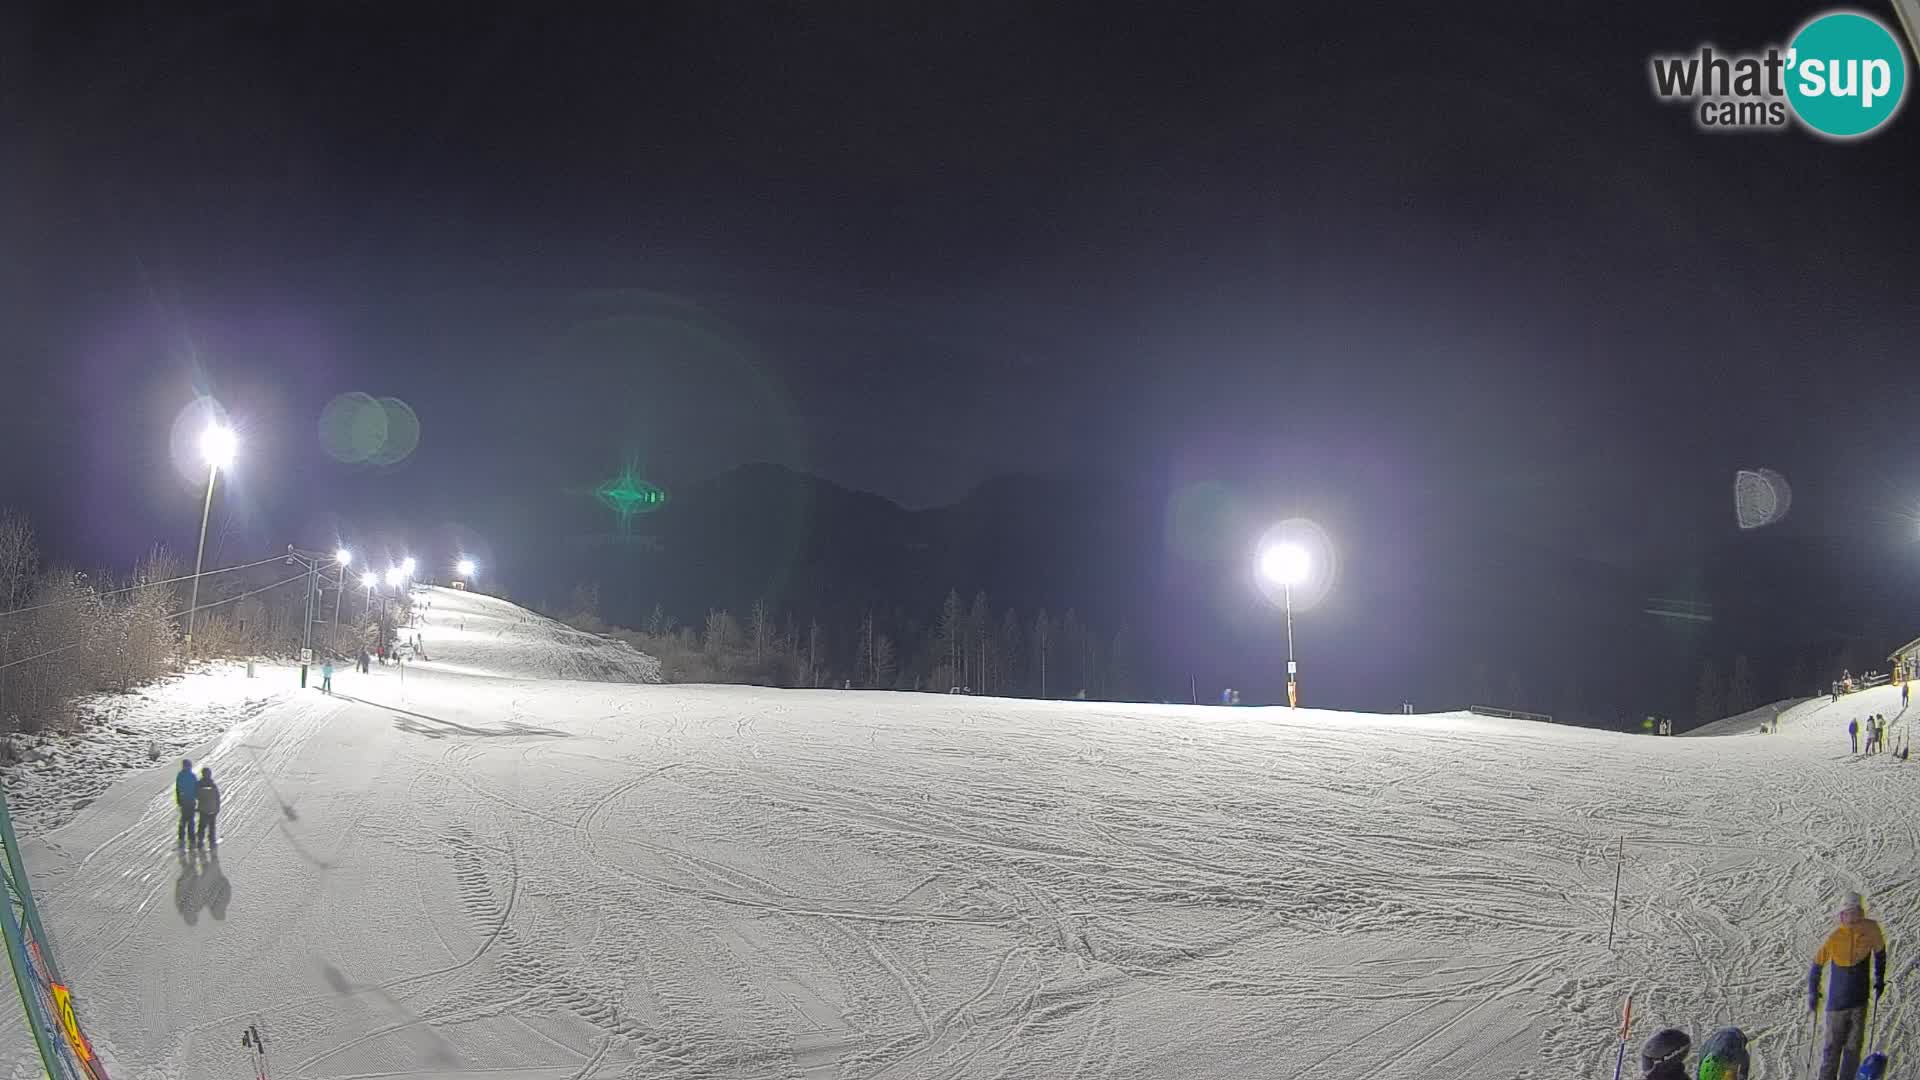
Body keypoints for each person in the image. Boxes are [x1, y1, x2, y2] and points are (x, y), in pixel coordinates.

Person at [1809, 892, 1887, 1080]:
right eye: (1847, 913)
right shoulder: (1835, 937)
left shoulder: (1871, 930)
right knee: (1831, 1049)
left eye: (1855, 912)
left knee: (1853, 1050)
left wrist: (1879, 978)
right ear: (1841, 915)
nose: (1851, 918)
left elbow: (1880, 953)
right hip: (1837, 1004)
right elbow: (1817, 964)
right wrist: (1813, 990)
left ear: (1861, 912)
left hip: (1859, 1001)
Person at [194, 766, 221, 849]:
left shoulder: (199, 784)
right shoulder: (213, 784)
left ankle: (200, 842)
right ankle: (212, 842)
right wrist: (217, 807)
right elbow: (217, 797)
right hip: (212, 809)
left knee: (202, 826)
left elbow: (196, 796)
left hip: (203, 809)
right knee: (212, 826)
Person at [174, 759, 198, 847]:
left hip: (184, 800)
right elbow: (196, 788)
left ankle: (182, 836)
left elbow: (177, 789)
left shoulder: (180, 775)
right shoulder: (192, 776)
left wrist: (178, 800)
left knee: (184, 819)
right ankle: (191, 838)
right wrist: (196, 797)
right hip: (190, 801)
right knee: (190, 819)